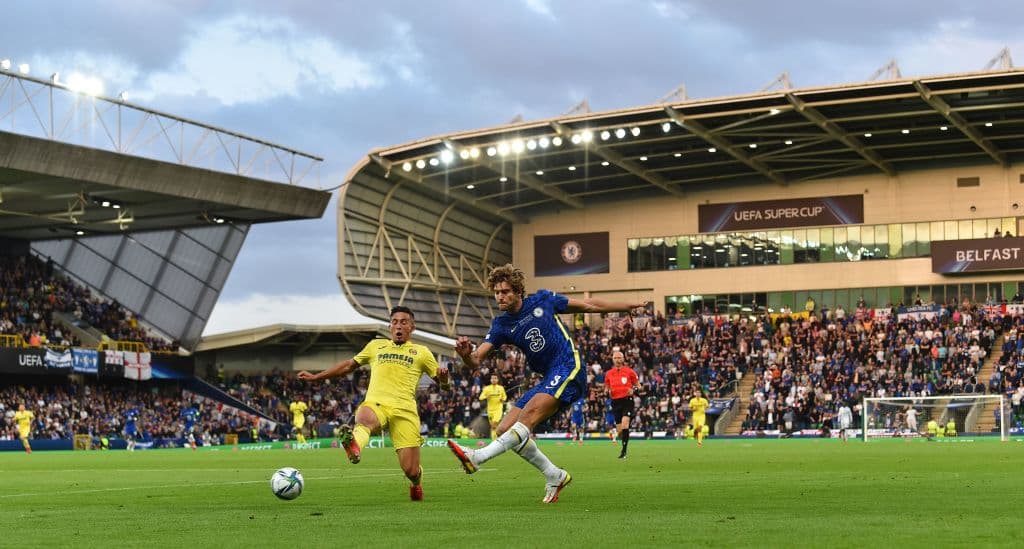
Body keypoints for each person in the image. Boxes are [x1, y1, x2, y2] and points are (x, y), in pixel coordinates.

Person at [446, 264, 645, 504]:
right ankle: (554, 474)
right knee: (504, 429)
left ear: (518, 291)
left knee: (526, 418)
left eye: (505, 291)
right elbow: (476, 360)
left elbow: (589, 305)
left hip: (569, 366)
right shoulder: (501, 324)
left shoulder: (543, 300)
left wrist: (627, 305)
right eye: (497, 292)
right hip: (548, 377)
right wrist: (466, 355)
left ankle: (478, 457)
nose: (500, 296)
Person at [298, 306, 449, 501]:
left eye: (404, 322)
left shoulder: (422, 352)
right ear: (390, 326)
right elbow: (348, 366)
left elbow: (444, 386)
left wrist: (444, 380)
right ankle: (354, 447)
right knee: (364, 418)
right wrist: (317, 376)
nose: (398, 326)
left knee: (410, 470)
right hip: (377, 403)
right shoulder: (375, 346)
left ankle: (416, 483)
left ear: (412, 327)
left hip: (405, 411)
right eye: (394, 322)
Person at [604, 350, 639, 459]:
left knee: (625, 424)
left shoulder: (629, 372)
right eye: (615, 358)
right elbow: (607, 387)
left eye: (619, 358)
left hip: (627, 400)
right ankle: (624, 437)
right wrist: (606, 391)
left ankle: (624, 451)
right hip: (615, 402)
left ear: (623, 359)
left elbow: (638, 386)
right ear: (612, 360)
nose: (617, 360)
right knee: (620, 431)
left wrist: (633, 389)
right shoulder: (608, 373)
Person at [478, 374, 507, 438]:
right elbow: (480, 397)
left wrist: (502, 399)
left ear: (497, 380)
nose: (494, 380)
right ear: (490, 380)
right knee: (493, 426)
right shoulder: (487, 388)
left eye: (495, 378)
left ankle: (496, 439)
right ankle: (495, 439)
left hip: (498, 409)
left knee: (494, 423)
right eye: (492, 378)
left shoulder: (501, 388)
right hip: (490, 410)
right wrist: (486, 396)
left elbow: (505, 397)